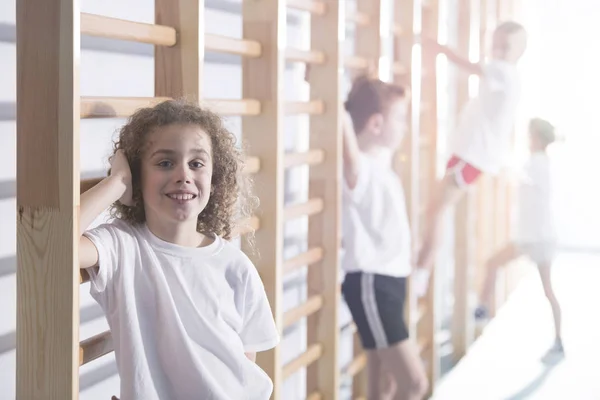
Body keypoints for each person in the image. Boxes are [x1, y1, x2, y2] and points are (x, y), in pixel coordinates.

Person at [79, 99, 280, 400]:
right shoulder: (122, 246)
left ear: (214, 179)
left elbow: (244, 359)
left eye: (196, 163)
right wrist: (117, 182)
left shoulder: (235, 266)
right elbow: (58, 245)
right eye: (164, 163)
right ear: (138, 175)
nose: (183, 174)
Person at [414, 21, 529, 294]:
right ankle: (421, 266)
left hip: (473, 156)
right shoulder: (504, 74)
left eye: (505, 46)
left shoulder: (504, 72)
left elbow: (469, 66)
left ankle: (421, 271)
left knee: (438, 209)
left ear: (518, 51)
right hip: (469, 154)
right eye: (496, 44)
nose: (498, 50)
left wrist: (438, 48)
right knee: (435, 208)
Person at [340, 75, 428, 400]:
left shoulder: (382, 164)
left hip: (390, 280)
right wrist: (339, 105)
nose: (406, 127)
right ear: (376, 124)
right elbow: (351, 155)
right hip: (371, 283)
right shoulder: (360, 167)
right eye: (401, 120)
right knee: (414, 384)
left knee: (384, 386)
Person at [474, 117, 563, 357]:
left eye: (530, 135)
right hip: (533, 236)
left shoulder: (537, 164)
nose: (527, 140)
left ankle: (482, 310)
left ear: (538, 139)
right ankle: (482, 310)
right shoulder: (539, 163)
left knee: (545, 288)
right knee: (496, 265)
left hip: (537, 237)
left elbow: (510, 173)